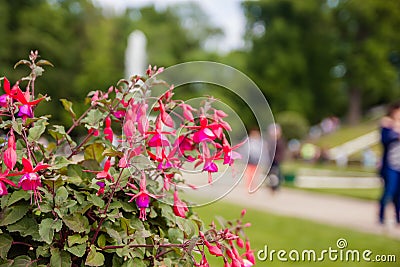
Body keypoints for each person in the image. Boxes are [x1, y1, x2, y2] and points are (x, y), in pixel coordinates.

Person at [378, 102, 400, 225]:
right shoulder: (387, 126)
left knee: (399, 194)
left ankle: (398, 217)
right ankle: (381, 216)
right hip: (390, 165)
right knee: (389, 191)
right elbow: (384, 140)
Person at [266, 123, 285, 192]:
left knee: (275, 174)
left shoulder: (279, 141)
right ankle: (272, 187)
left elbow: (281, 151)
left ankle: (275, 187)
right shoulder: (271, 141)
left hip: (276, 161)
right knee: (271, 174)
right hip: (271, 161)